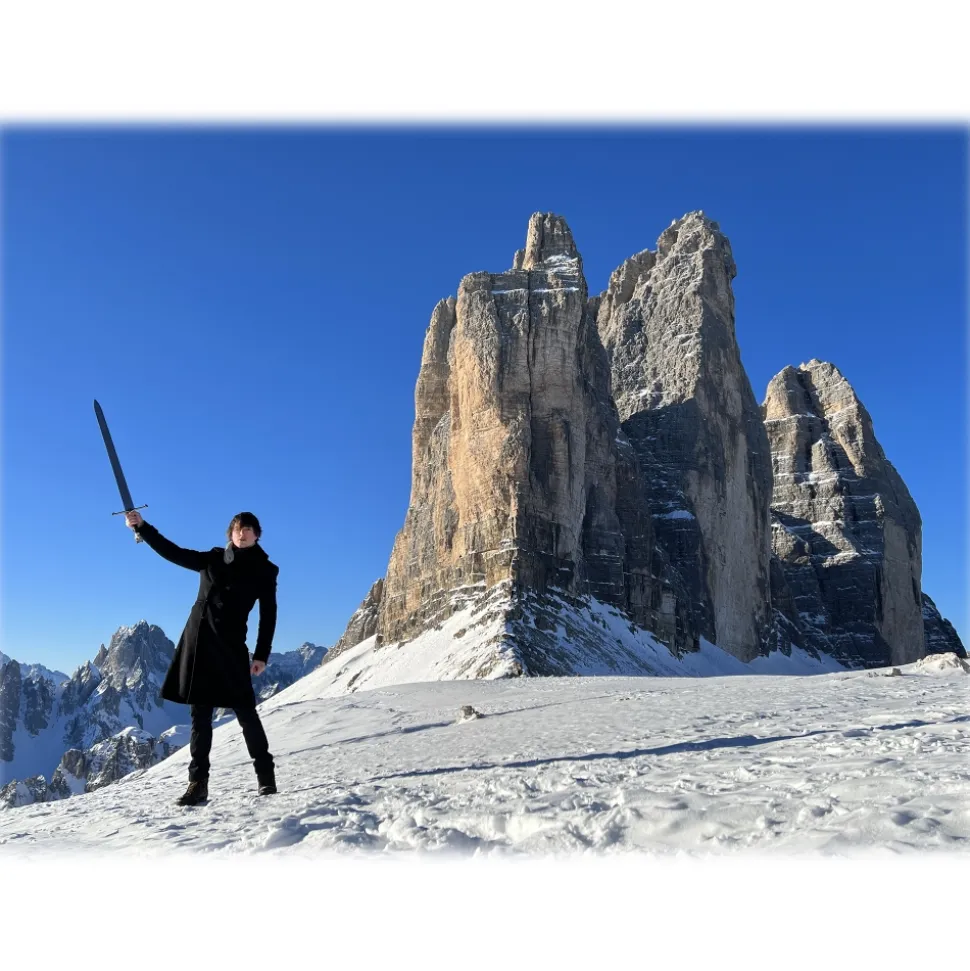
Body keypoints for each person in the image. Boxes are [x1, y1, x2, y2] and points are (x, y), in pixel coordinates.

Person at [125, 509, 280, 806]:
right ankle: (198, 784)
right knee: (200, 718)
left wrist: (261, 654)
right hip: (199, 646)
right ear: (230, 533)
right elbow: (174, 552)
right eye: (237, 528)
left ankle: (266, 777)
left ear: (257, 535)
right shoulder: (212, 559)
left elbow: (268, 615)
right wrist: (142, 528)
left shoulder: (265, 570)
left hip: (231, 648)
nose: (242, 532)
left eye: (248, 529)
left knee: (246, 713)